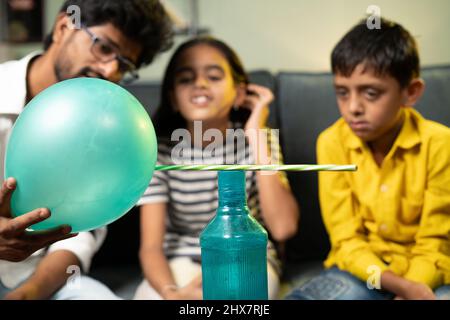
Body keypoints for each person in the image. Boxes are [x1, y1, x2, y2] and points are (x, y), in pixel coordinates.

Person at [0, 0, 173, 300]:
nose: (109, 70)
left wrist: (30, 294)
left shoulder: (111, 130)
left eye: (124, 65)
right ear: (64, 26)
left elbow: (81, 233)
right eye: (104, 48)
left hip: (39, 278)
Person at [286, 18, 450, 300]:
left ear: (410, 92)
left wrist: (414, 287)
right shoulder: (331, 142)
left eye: (371, 93)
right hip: (359, 271)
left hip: (429, 272)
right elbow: (346, 240)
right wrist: (402, 287)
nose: (352, 108)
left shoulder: (440, 143)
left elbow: (435, 243)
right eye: (342, 92)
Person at [134, 37, 300, 300]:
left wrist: (256, 134)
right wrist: (171, 293)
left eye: (213, 76)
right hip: (179, 266)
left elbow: (283, 227)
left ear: (240, 94)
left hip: (245, 259)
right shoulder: (159, 152)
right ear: (173, 98)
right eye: (186, 79)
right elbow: (151, 248)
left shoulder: (258, 140)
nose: (199, 84)